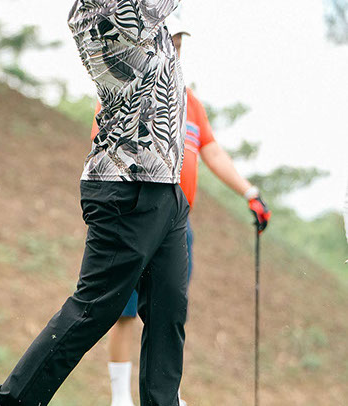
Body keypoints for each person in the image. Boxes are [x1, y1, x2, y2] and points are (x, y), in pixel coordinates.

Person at [0, 1, 191, 405]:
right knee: (93, 310)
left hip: (164, 187)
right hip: (127, 186)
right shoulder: (114, 14)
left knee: (168, 311)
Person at [96, 16, 271, 406]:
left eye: (178, 42)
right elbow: (105, 150)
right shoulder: (124, 88)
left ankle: (166, 393)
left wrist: (250, 192)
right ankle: (120, 398)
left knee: (169, 311)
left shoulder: (191, 103)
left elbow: (212, 151)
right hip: (135, 218)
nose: (174, 48)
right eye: (168, 40)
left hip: (177, 223)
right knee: (124, 310)